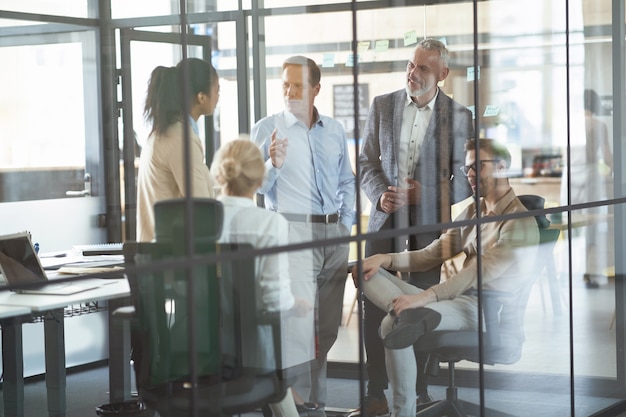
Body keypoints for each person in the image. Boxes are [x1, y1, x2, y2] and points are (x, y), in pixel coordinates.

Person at [353, 138, 540, 417]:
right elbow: (432, 253)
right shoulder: (475, 211)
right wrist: (385, 259)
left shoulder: (519, 221)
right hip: (455, 299)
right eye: (468, 169)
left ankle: (402, 412)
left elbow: (478, 272)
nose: (472, 175)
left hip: (485, 310)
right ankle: (409, 315)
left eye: (479, 166)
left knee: (391, 325)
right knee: (368, 272)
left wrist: (425, 297)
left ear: (501, 168)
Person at [355, 38, 473, 415]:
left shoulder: (459, 116)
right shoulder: (383, 105)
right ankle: (376, 392)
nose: (413, 73)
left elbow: (466, 178)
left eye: (423, 68)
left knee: (418, 310)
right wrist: (378, 195)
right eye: (411, 65)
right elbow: (367, 162)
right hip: (383, 225)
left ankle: (420, 390)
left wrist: (428, 193)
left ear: (442, 74)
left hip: (426, 233)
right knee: (373, 310)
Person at [251, 55, 356, 415]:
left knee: (326, 328)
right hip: (292, 232)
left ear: (315, 89)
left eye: (298, 85)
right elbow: (257, 188)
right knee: (297, 326)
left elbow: (347, 180)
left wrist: (347, 223)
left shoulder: (334, 130)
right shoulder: (266, 129)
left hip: (333, 233)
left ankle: (309, 400)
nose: (290, 91)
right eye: (285, 84)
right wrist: (272, 163)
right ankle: (303, 406)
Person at [211, 138, 312, 417]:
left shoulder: (191, 219)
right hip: (250, 356)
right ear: (259, 181)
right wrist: (294, 304)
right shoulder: (269, 224)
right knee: (269, 352)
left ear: (219, 175)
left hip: (194, 352)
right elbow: (273, 298)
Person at [136, 57, 219, 242]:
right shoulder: (181, 140)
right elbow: (201, 208)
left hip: (160, 255)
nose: (218, 96)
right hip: (173, 259)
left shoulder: (165, 132)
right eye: (217, 89)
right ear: (201, 96)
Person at [565, 89, 613, 288]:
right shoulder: (598, 125)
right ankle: (587, 270)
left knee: (570, 221)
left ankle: (570, 269)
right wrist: (612, 170)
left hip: (569, 174)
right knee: (590, 222)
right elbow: (607, 155)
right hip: (590, 173)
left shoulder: (568, 123)